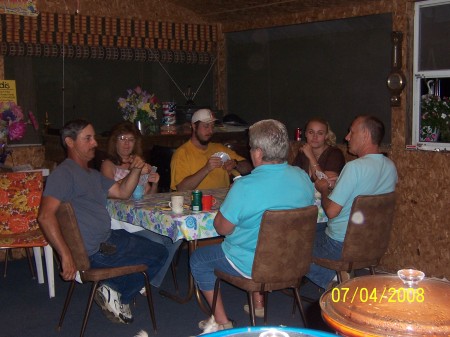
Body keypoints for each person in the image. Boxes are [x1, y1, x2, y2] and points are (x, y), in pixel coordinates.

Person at [37, 119, 168, 324]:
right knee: (159, 254)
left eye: (93, 138)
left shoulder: (93, 174)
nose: (94, 143)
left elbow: (122, 192)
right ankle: (117, 292)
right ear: (70, 142)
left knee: (160, 249)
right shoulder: (63, 174)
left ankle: (112, 289)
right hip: (94, 251)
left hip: (108, 239)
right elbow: (45, 216)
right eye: (87, 139)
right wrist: (66, 256)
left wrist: (134, 169)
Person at [190, 119, 315, 333]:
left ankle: (222, 322)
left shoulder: (244, 187)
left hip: (252, 265)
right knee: (253, 240)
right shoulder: (303, 178)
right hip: (293, 261)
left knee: (199, 259)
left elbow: (222, 229)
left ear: (257, 152)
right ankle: (258, 305)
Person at [306, 115, 397, 290]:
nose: (347, 137)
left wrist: (324, 189)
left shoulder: (354, 168)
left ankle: (336, 282)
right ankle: (343, 278)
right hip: (372, 243)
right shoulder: (390, 166)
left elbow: (331, 212)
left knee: (295, 245)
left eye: (351, 132)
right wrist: (340, 181)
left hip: (340, 245)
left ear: (365, 135)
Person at [100, 121, 182, 288]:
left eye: (131, 139)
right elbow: (111, 192)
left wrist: (155, 183)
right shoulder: (108, 165)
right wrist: (133, 172)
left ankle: (150, 282)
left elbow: (147, 198)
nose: (126, 143)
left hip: (143, 220)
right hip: (122, 224)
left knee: (177, 236)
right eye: (122, 138)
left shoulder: (140, 163)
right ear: (115, 141)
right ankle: (142, 282)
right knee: (158, 244)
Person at [170, 108, 253, 191]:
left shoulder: (219, 148)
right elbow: (181, 189)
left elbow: (249, 169)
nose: (210, 131)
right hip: (196, 202)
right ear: (194, 126)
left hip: (223, 201)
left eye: (212, 126)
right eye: (206, 126)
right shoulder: (182, 153)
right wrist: (207, 169)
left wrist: (235, 164)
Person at [292, 118, 345, 232]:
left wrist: (310, 156)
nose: (315, 137)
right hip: (305, 208)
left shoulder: (335, 154)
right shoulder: (302, 154)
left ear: (326, 136)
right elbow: (294, 178)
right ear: (305, 134)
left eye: (320, 133)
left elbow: (324, 183)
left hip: (325, 213)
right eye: (311, 132)